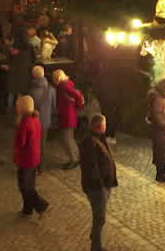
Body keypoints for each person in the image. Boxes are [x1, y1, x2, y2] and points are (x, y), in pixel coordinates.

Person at [79, 114, 117, 251]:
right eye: (105, 124)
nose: (106, 127)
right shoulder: (90, 143)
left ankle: (94, 237)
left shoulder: (99, 139)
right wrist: (100, 186)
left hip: (104, 185)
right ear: (100, 126)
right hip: (97, 187)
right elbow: (92, 167)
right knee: (100, 217)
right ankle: (96, 245)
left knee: (100, 216)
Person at [13, 95, 48, 219]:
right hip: (34, 157)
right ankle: (27, 210)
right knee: (29, 184)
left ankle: (41, 205)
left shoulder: (24, 123)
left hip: (26, 158)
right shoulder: (35, 119)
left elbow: (21, 142)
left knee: (24, 186)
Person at [53, 69, 84, 170]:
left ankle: (74, 159)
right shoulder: (67, 84)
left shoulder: (63, 86)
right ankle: (76, 157)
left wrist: (78, 105)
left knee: (67, 139)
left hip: (67, 116)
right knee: (69, 138)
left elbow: (77, 96)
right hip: (69, 115)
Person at [147, 78, 165, 182]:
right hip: (160, 131)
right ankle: (160, 174)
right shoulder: (158, 99)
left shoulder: (159, 97)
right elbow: (157, 115)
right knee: (161, 152)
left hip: (162, 130)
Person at [28, 65, 56, 172]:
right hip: (45, 121)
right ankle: (41, 166)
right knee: (42, 145)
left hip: (33, 121)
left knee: (32, 143)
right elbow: (54, 108)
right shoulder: (51, 90)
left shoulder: (31, 90)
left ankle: (32, 164)